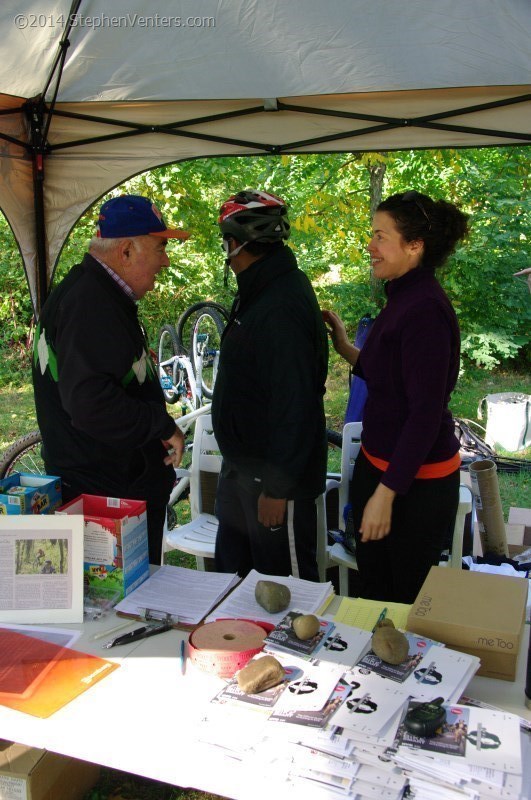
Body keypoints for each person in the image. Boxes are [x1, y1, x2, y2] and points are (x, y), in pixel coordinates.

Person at [323, 190, 469, 603]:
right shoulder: (402, 296)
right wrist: (347, 348)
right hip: (381, 468)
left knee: (400, 601)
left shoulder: (426, 310)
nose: (370, 246)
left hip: (415, 488)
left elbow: (424, 413)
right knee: (373, 592)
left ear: (414, 245)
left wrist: (386, 494)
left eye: (380, 236)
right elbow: (388, 370)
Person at [32, 195, 189, 564]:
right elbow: (90, 405)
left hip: (111, 489)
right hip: (104, 497)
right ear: (127, 250)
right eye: (160, 246)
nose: (165, 260)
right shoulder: (90, 303)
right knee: (120, 614)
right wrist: (161, 425)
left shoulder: (95, 292)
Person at [212, 189, 328, 581]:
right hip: (242, 471)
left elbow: (295, 403)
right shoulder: (258, 289)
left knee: (287, 592)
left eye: (225, 240)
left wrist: (277, 489)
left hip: (275, 483)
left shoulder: (280, 303)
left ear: (236, 243)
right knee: (234, 580)